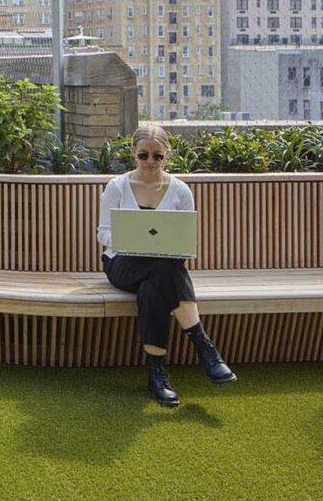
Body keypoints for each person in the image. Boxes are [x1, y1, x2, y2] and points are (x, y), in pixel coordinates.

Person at [96, 124, 235, 407]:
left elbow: (184, 239)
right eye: (143, 155)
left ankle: (156, 378)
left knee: (153, 288)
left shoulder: (180, 191)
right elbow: (103, 233)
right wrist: (129, 239)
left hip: (164, 268)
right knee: (161, 267)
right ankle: (202, 344)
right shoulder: (117, 187)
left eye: (157, 156)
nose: (150, 162)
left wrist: (161, 247)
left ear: (166, 155)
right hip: (122, 263)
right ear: (132, 153)